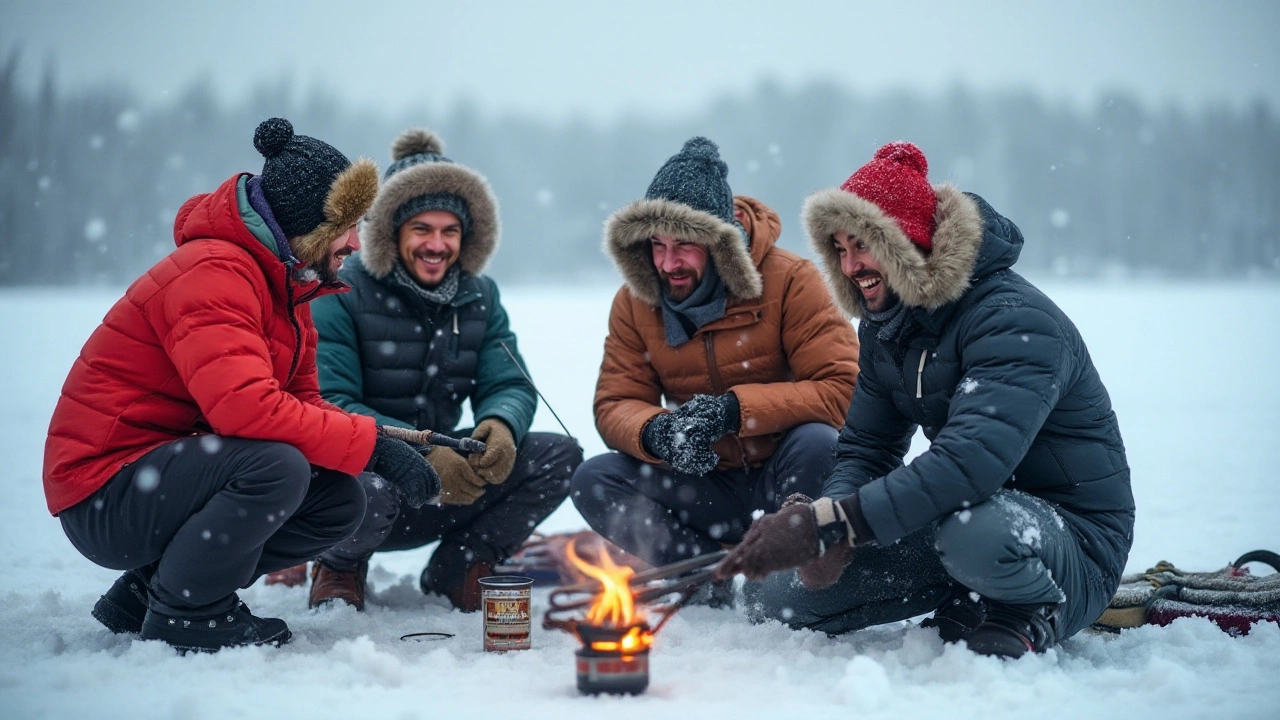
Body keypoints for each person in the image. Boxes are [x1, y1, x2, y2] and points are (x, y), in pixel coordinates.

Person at [715, 142, 1135, 658]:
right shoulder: (888, 326)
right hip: (960, 514)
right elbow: (867, 449)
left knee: (974, 533)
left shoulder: (1013, 321)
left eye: (863, 245)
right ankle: (970, 587)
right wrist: (827, 525)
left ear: (906, 241)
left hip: (1068, 541)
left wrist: (839, 521)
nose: (850, 266)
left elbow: (968, 462)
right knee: (776, 597)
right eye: (839, 250)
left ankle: (1028, 607)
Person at [43, 118, 445, 653]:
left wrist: (379, 446)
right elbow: (247, 412)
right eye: (347, 226)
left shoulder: (285, 286)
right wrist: (370, 445)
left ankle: (147, 593)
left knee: (335, 500)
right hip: (103, 490)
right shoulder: (214, 274)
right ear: (309, 225)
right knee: (276, 467)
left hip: (162, 474)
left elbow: (302, 404)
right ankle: (189, 612)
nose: (354, 241)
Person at [306, 128, 582, 613]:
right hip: (365, 485)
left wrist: (500, 425)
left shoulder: (479, 294)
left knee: (559, 456)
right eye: (421, 230)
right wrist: (424, 452)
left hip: (449, 483)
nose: (437, 245)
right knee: (365, 483)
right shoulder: (340, 291)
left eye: (449, 230)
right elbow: (330, 402)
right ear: (391, 232)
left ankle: (461, 564)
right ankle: (339, 566)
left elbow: (509, 381)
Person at [570, 137, 860, 595]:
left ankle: (788, 573)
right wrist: (657, 432)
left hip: (782, 479)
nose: (667, 263)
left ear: (720, 243)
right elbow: (616, 402)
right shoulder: (633, 302)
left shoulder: (792, 281)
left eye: (684, 244)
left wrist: (734, 411)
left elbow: (843, 388)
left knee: (819, 443)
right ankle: (700, 573)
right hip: (702, 486)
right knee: (595, 479)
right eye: (657, 245)